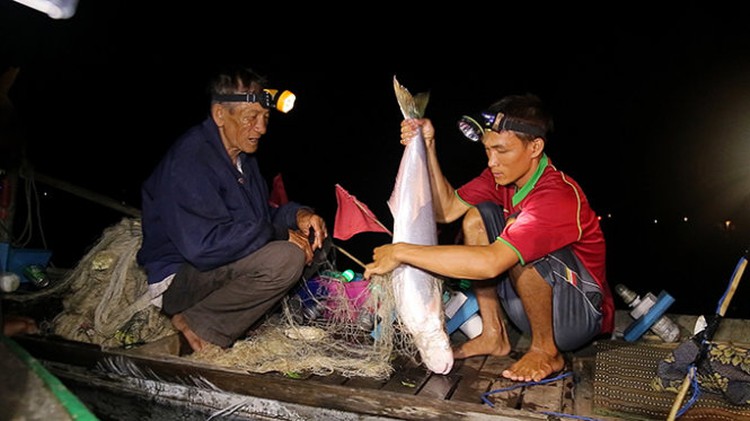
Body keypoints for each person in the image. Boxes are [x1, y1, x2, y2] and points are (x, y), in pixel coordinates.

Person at [364, 93, 614, 382]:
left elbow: (492, 263)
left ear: (535, 147)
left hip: (577, 319)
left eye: (501, 151)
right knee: (476, 217)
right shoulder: (500, 177)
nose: (492, 161)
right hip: (528, 311)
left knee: (519, 240)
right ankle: (494, 333)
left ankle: (546, 351)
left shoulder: (557, 195)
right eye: (487, 150)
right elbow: (446, 210)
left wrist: (400, 251)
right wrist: (428, 144)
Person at [137, 65, 328, 353]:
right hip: (179, 278)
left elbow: (261, 219)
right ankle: (197, 323)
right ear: (219, 115)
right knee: (287, 257)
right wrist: (277, 234)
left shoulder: (244, 161)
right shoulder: (191, 159)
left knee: (316, 240)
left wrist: (298, 216)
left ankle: (241, 316)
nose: (261, 128)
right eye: (251, 118)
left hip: (219, 264)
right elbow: (203, 248)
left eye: (265, 118)